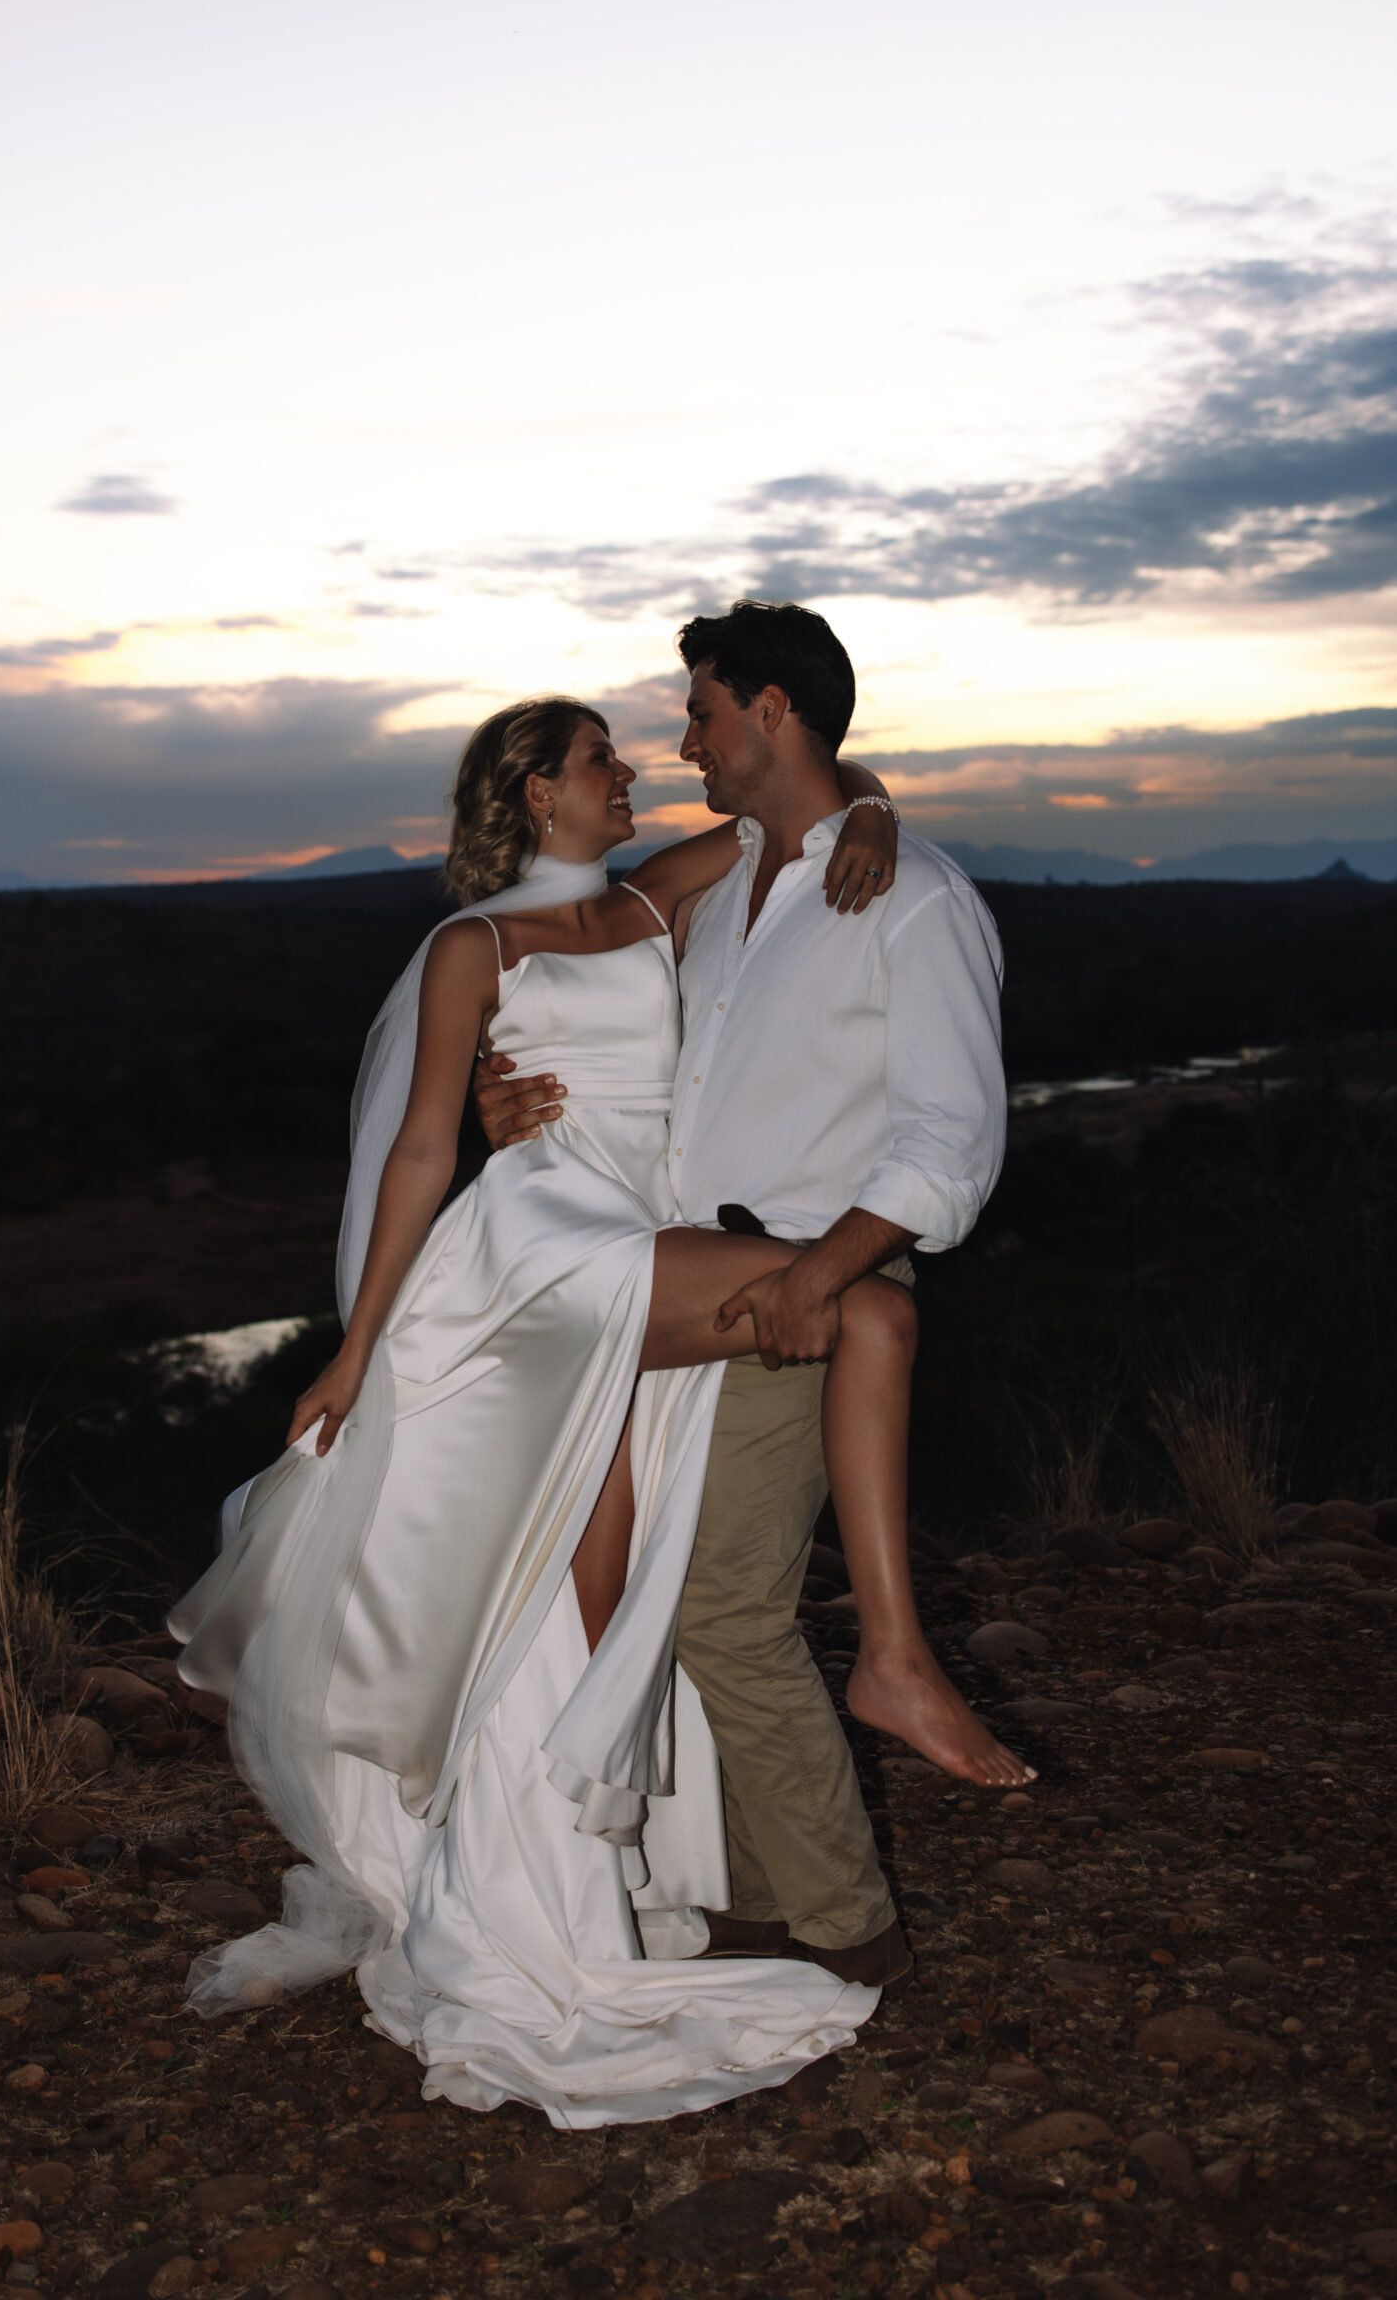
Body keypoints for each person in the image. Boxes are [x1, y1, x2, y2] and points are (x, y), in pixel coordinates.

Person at [170, 694, 910, 2126]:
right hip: (546, 1257)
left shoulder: (646, 907)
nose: (629, 775)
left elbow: (789, 807)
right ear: (531, 796)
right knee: (852, 1297)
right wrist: (350, 1349)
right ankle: (886, 1663)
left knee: (584, 1599)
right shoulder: (473, 946)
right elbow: (417, 1154)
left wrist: (870, 806)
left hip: (643, 1240)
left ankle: (552, 1905)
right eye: (598, 764)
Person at [477, 601, 1018, 2000]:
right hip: (683, 1292)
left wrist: (822, 1278)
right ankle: (772, 1900)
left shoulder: (917, 897)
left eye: (703, 711)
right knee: (692, 1604)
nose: (683, 739)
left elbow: (951, 1143)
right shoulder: (722, 891)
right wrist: (512, 1099)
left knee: (723, 1611)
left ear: (772, 711)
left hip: (804, 1287)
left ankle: (847, 1937)